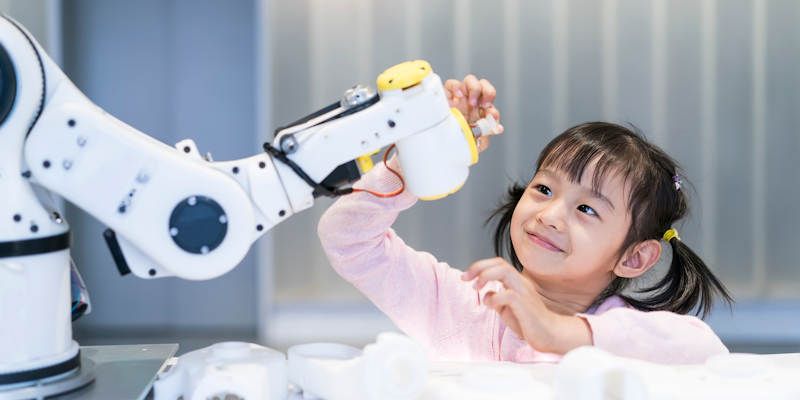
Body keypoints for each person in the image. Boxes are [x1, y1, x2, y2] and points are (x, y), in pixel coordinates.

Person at [317, 75, 732, 364]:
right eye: (544, 189)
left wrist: (555, 332)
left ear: (635, 258)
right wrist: (424, 156)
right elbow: (348, 239)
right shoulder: (459, 303)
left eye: (587, 209)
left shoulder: (628, 337)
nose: (549, 215)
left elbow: (703, 350)